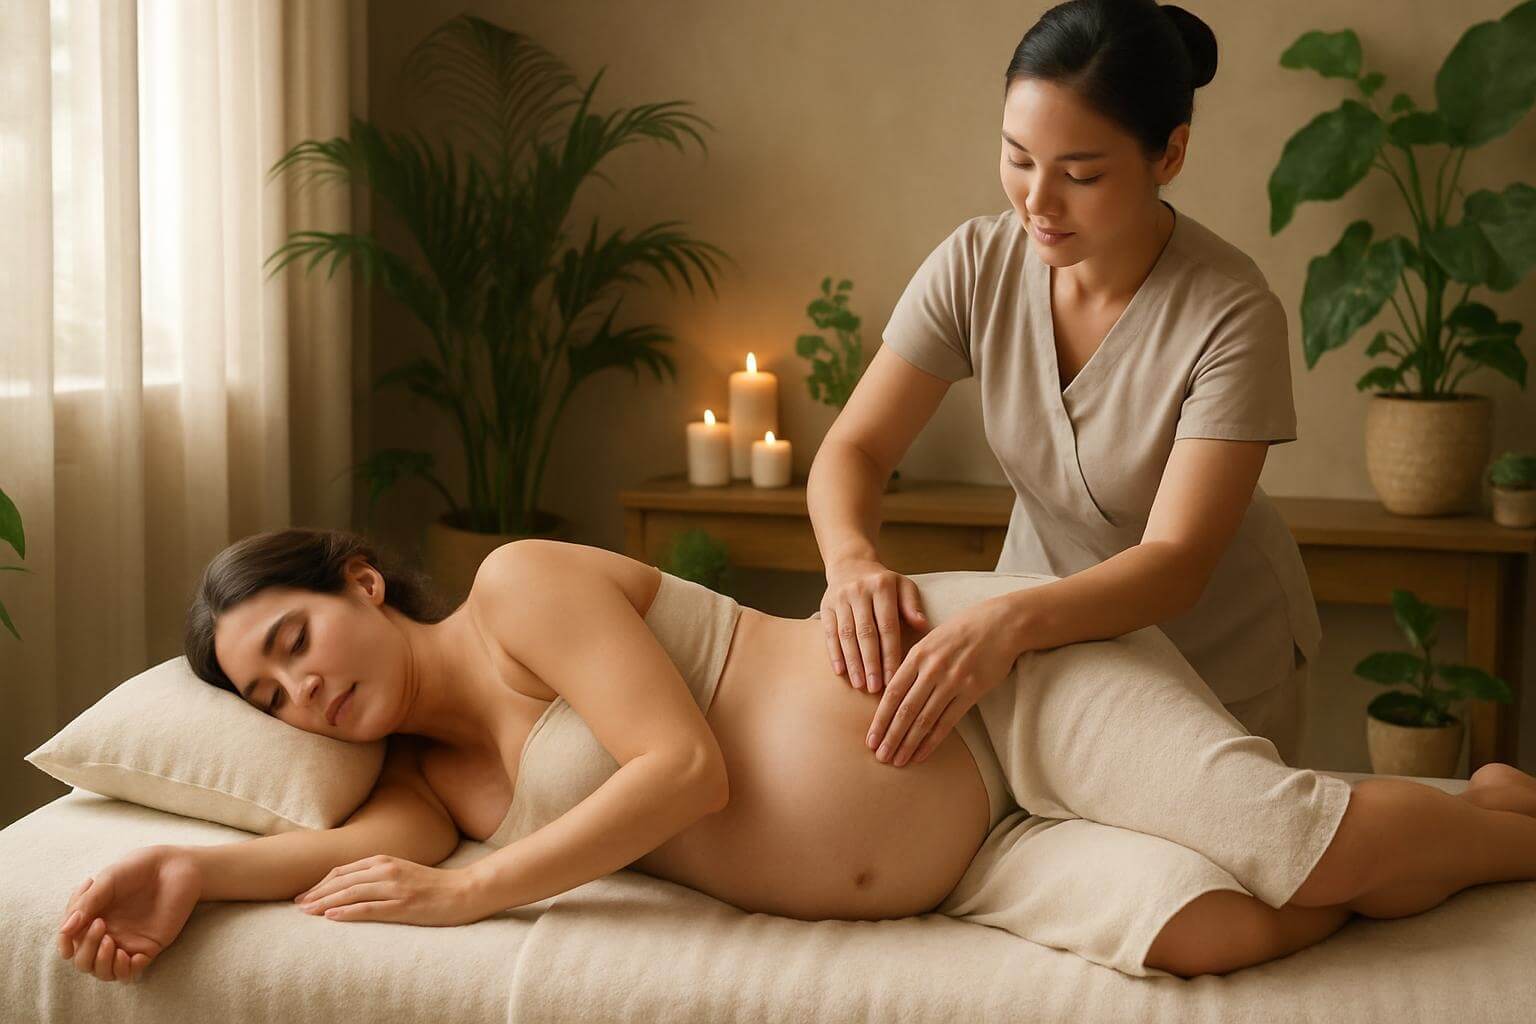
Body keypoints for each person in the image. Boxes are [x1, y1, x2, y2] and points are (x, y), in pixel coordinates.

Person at [55, 530, 1536, 985]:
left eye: (298, 642)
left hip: (980, 688)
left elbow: (682, 771)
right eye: (273, 695)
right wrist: (184, 863)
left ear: (363, 584)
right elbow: (336, 856)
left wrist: (482, 894)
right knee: (1219, 930)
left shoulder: (519, 591)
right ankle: (1457, 806)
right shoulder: (426, 788)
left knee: (1298, 845)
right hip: (968, 858)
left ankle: (1500, 823)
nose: (305, 695)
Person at [808, 0, 1322, 770]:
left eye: (1080, 174)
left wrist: (1005, 621)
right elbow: (857, 446)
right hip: (1046, 645)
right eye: (1018, 158)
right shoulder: (977, 263)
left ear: (1169, 155)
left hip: (1211, 658)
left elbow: (1176, 560)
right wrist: (850, 563)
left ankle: (1492, 816)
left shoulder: (1232, 312)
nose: (1037, 204)